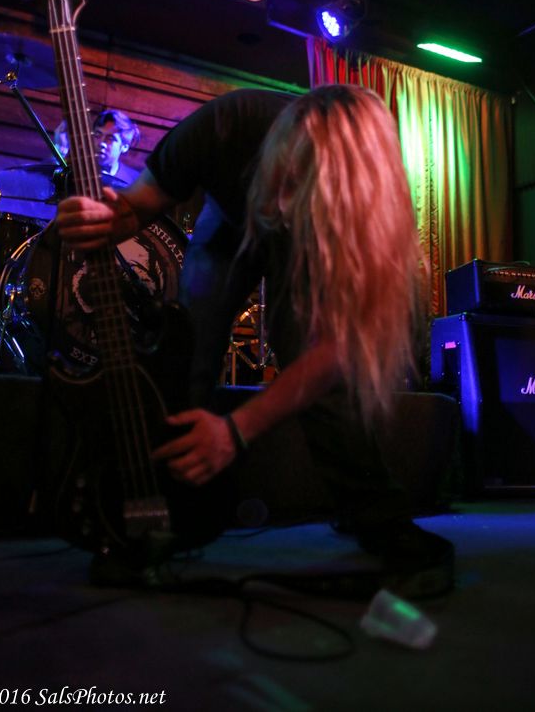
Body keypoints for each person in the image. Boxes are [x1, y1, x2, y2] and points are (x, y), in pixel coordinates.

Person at [56, 85, 454, 596]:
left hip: (317, 243)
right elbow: (135, 207)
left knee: (316, 367)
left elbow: (335, 350)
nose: (281, 206)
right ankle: (166, 509)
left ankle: (376, 515)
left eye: (300, 191)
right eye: (280, 177)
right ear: (269, 147)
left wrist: (236, 431)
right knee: (189, 349)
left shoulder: (365, 211)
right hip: (229, 222)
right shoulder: (221, 127)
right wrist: (101, 221)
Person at [54, 109, 140, 186]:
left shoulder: (134, 182)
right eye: (98, 135)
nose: (101, 143)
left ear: (125, 147)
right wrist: (61, 148)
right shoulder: (75, 170)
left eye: (110, 138)